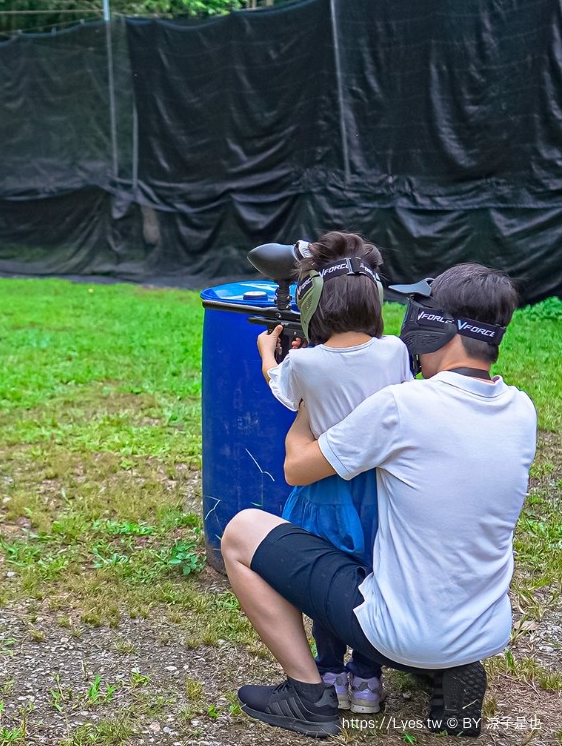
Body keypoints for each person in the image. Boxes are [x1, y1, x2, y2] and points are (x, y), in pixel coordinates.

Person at [221, 263, 537, 738]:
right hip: (482, 628)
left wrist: (308, 407)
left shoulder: (402, 406)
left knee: (241, 531)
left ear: (436, 328)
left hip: (398, 633)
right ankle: (449, 667)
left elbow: (297, 467)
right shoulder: (522, 409)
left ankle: (308, 694)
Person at [256, 231, 413, 715]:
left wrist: (268, 351)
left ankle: (328, 672)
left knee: (326, 580)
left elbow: (283, 390)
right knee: (371, 578)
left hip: (323, 487)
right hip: (379, 490)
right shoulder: (395, 352)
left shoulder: (303, 362)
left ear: (314, 306)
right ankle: (367, 683)